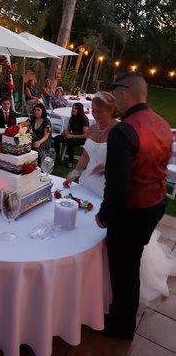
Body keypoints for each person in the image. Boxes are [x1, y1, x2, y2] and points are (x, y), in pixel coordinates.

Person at [94, 72, 172, 340]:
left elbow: (118, 186)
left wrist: (105, 215)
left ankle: (121, 325)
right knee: (131, 261)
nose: (115, 100)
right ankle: (123, 315)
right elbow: (147, 161)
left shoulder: (124, 130)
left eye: (116, 96)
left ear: (125, 95)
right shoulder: (163, 124)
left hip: (132, 211)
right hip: (156, 204)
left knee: (123, 268)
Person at [63, 92, 117, 195]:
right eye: (93, 110)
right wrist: (73, 175)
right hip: (87, 180)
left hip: (107, 185)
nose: (95, 115)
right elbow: (85, 156)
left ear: (111, 111)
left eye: (100, 112)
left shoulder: (118, 131)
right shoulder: (92, 129)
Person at [54, 102, 89, 168]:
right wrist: (65, 134)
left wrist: (72, 136)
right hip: (72, 136)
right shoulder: (72, 118)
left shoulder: (84, 119)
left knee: (70, 142)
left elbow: (86, 135)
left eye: (75, 108)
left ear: (80, 110)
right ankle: (57, 157)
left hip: (81, 139)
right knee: (57, 138)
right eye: (73, 108)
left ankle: (71, 161)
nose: (73, 110)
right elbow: (68, 130)